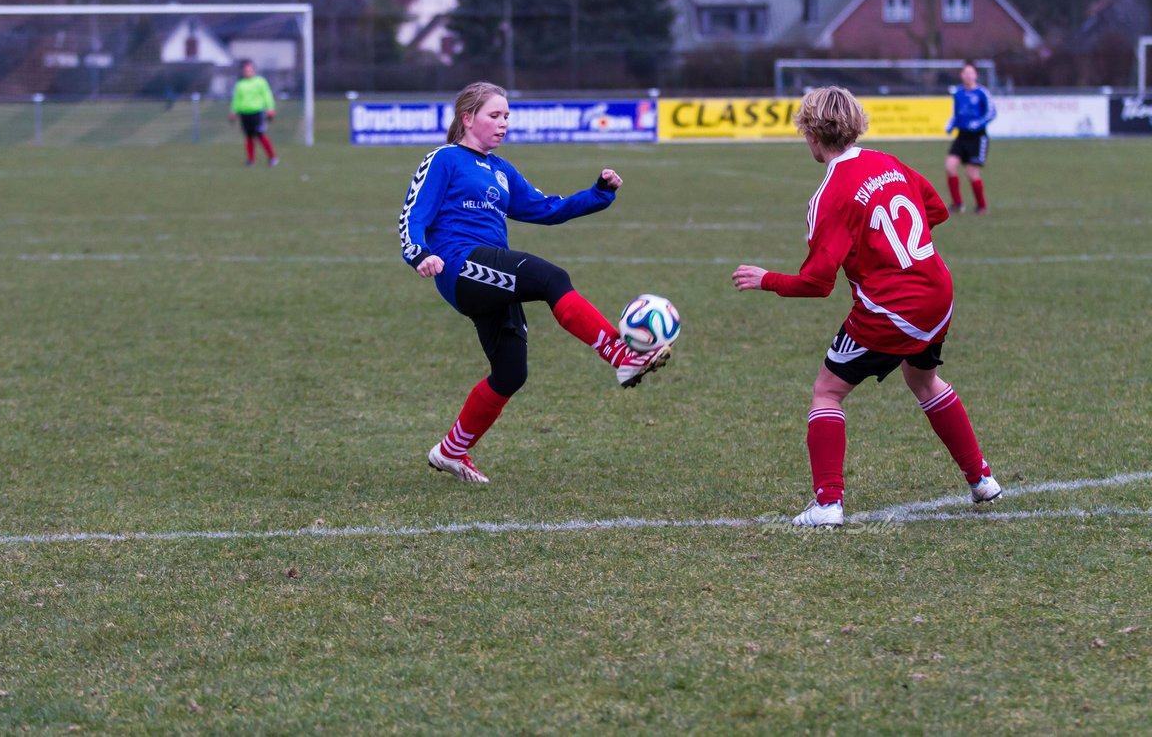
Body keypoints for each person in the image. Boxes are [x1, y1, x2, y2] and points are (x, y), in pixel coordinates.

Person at [731, 86, 1001, 527]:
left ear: (812, 136)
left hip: (893, 309)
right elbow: (935, 211)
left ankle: (828, 505)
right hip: (938, 291)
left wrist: (766, 280)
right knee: (923, 378)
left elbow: (817, 283)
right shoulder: (888, 162)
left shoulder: (830, 195)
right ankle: (981, 479)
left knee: (828, 391)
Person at [399, 82, 671, 483]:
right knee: (550, 278)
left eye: (507, 116)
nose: (504, 123)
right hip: (459, 265)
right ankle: (620, 354)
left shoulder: (501, 169)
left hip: (491, 273)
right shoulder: (444, 159)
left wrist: (598, 194)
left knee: (511, 373)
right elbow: (413, 215)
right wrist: (419, 253)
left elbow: (545, 209)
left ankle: (451, 451)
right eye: (495, 115)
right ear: (467, 118)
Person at [943, 60, 996, 214]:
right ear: (961, 75)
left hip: (977, 138)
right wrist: (951, 125)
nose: (968, 76)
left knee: (971, 172)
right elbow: (956, 114)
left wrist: (977, 123)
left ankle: (982, 206)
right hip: (961, 136)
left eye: (971, 73)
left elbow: (991, 113)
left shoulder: (982, 93)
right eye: (965, 73)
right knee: (950, 166)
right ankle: (957, 204)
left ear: (975, 75)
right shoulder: (958, 93)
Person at [228, 59, 278, 167]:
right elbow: (236, 99)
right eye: (246, 70)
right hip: (245, 113)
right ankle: (251, 160)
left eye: (250, 69)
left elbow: (267, 96)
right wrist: (233, 111)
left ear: (254, 70)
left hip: (257, 113)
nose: (248, 72)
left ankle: (272, 157)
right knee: (249, 136)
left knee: (260, 135)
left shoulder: (260, 82)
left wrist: (270, 108)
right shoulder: (240, 84)